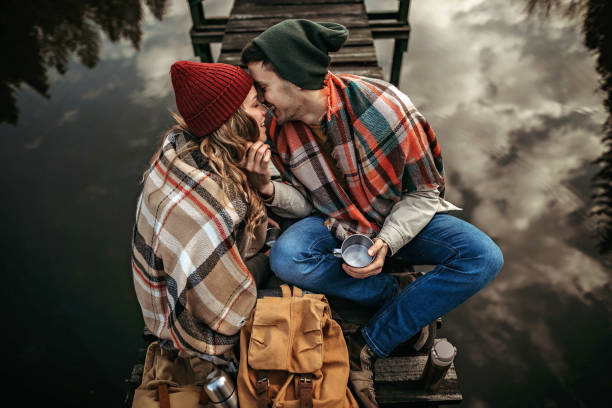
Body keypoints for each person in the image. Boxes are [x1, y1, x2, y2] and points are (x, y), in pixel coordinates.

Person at [239, 19, 504, 407]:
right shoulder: (277, 128)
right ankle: (391, 293)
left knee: (483, 258)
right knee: (285, 257)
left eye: (262, 88)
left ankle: (369, 342)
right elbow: (306, 203)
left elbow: (424, 193)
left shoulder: (386, 107)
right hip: (333, 221)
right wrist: (265, 187)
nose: (259, 101)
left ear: (295, 78)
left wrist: (387, 241)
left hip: (398, 219)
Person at [130, 61, 275, 362]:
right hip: (185, 326)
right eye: (256, 105)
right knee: (295, 282)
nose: (266, 110)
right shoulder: (217, 204)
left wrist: (258, 183)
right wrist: (263, 261)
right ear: (232, 121)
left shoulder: (178, 148)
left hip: (163, 297)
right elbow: (227, 309)